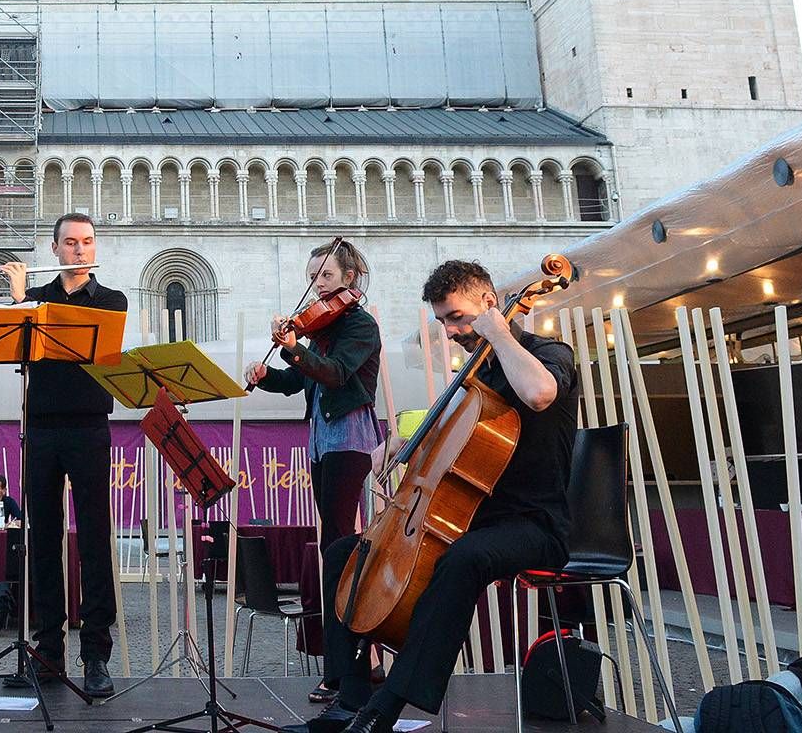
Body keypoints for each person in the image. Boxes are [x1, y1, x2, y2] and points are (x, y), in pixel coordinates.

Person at [286, 259, 577, 733]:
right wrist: (407, 441)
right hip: (473, 519)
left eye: (457, 317)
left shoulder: (547, 354)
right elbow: (455, 443)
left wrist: (501, 335)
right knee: (345, 553)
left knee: (462, 560)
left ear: (488, 304)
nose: (451, 330)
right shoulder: (477, 374)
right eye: (443, 321)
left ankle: (388, 708)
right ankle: (349, 698)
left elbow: (540, 394)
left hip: (534, 524)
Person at [0, 212, 127, 697]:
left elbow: (95, 352)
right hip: (41, 429)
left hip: (90, 427)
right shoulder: (33, 301)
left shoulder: (110, 300)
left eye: (87, 242)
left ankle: (96, 656)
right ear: (54, 249)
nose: (79, 249)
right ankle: (48, 651)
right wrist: (15, 303)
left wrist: (23, 302)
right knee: (43, 542)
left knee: (94, 540)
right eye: (70, 242)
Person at [244, 238, 383, 548]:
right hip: (321, 436)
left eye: (325, 275)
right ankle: (335, 596)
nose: (318, 284)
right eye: (312, 278)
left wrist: (294, 347)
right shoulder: (321, 329)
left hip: (349, 434)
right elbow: (299, 379)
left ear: (349, 277)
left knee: (337, 532)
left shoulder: (361, 325)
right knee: (331, 532)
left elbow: (334, 373)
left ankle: (342, 597)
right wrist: (267, 375)